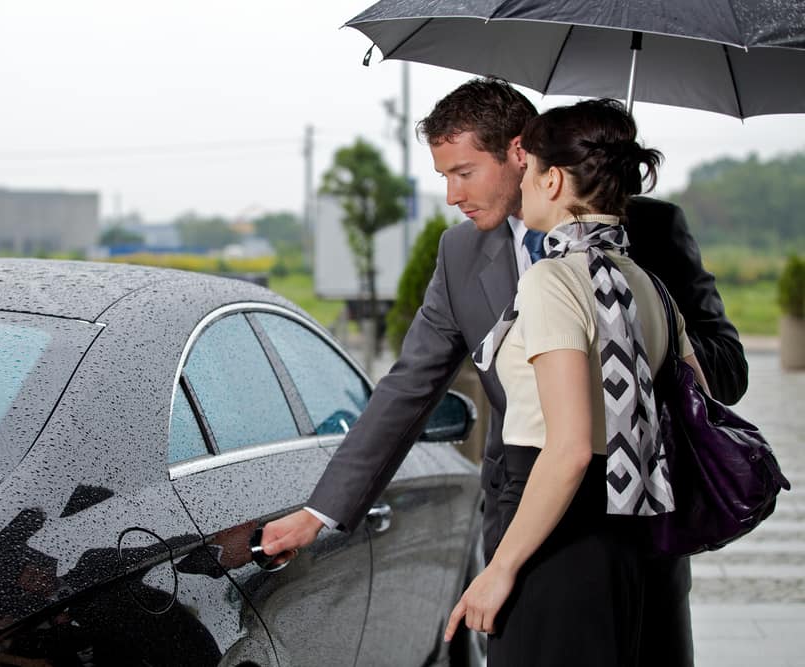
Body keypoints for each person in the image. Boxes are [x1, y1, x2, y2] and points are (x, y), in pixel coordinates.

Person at [261, 78, 747, 666]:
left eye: (463, 172)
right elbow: (408, 387)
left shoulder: (648, 238)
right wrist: (321, 512)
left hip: (640, 525)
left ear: (521, 154)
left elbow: (727, 371)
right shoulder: (460, 254)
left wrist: (632, 337)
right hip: (524, 520)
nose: (450, 195)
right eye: (443, 176)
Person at [440, 97, 709, 665]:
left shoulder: (552, 281)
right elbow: (695, 406)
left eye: (531, 169)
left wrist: (501, 568)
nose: (526, 181)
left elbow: (566, 450)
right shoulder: (646, 284)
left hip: (549, 537)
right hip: (629, 540)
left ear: (554, 179)